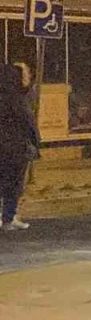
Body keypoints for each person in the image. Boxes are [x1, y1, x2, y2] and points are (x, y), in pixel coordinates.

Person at [0, 63, 40, 231]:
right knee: (13, 183)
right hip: (14, 147)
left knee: (5, 181)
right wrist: (36, 142)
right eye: (25, 74)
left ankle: (7, 217)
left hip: (7, 146)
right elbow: (27, 122)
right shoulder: (16, 98)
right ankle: (8, 218)